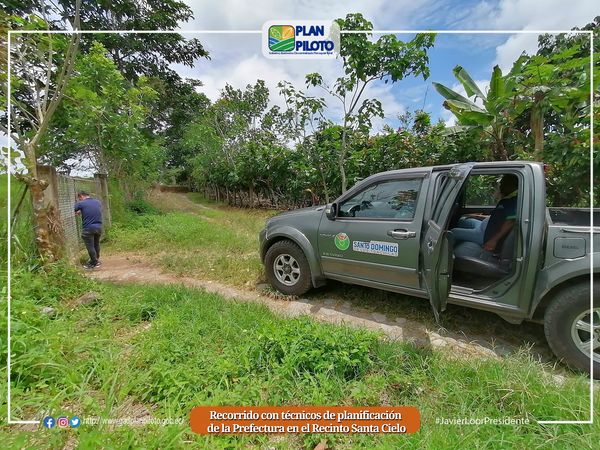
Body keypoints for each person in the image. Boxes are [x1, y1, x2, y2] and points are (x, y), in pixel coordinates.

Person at [453, 174, 518, 259]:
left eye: (503, 184)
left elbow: (511, 221)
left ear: (511, 185)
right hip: (484, 225)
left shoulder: (512, 201)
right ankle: (461, 241)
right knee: (463, 220)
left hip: (484, 234)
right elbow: (498, 217)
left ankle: (450, 255)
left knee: (453, 232)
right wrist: (476, 216)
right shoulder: (507, 198)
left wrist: (493, 240)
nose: (500, 187)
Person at [74, 191, 103, 269]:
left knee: (90, 246)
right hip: (98, 227)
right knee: (96, 244)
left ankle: (94, 262)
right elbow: (91, 210)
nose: (79, 200)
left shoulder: (81, 203)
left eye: (79, 198)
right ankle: (96, 259)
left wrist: (78, 211)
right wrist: (82, 211)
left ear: (81, 196)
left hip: (88, 228)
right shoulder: (97, 202)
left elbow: (73, 210)